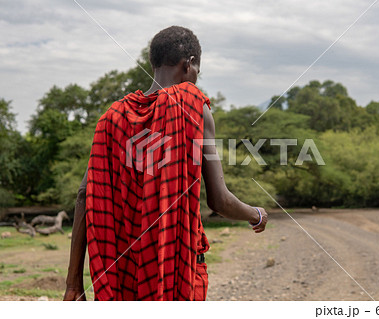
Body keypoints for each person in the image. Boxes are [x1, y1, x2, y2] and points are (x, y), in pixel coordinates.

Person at [64, 26, 268, 301]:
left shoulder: (112, 119)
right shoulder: (193, 106)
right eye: (197, 71)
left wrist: (73, 285)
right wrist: (255, 214)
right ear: (189, 65)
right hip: (176, 270)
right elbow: (219, 201)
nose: (195, 79)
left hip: (121, 276)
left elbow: (83, 196)